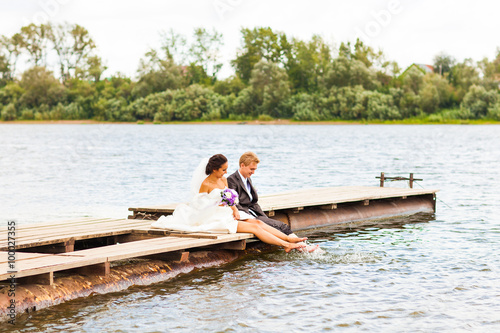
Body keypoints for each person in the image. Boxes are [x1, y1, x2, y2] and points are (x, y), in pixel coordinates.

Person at [151, 154, 310, 253]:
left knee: (257, 222)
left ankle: (289, 240)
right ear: (214, 169)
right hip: (214, 218)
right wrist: (217, 204)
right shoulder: (206, 185)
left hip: (229, 213)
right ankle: (285, 244)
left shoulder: (223, 179)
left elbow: (230, 199)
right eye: (223, 170)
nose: (226, 172)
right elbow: (200, 207)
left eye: (226, 169)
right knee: (255, 227)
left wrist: (234, 209)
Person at [227, 151, 294, 235]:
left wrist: (265, 218)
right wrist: (250, 217)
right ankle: (302, 245)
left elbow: (253, 203)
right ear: (242, 165)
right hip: (245, 216)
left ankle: (301, 245)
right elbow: (234, 203)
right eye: (251, 169)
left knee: (279, 226)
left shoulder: (248, 179)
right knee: (282, 226)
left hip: (254, 214)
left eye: (255, 169)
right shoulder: (231, 180)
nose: (253, 172)